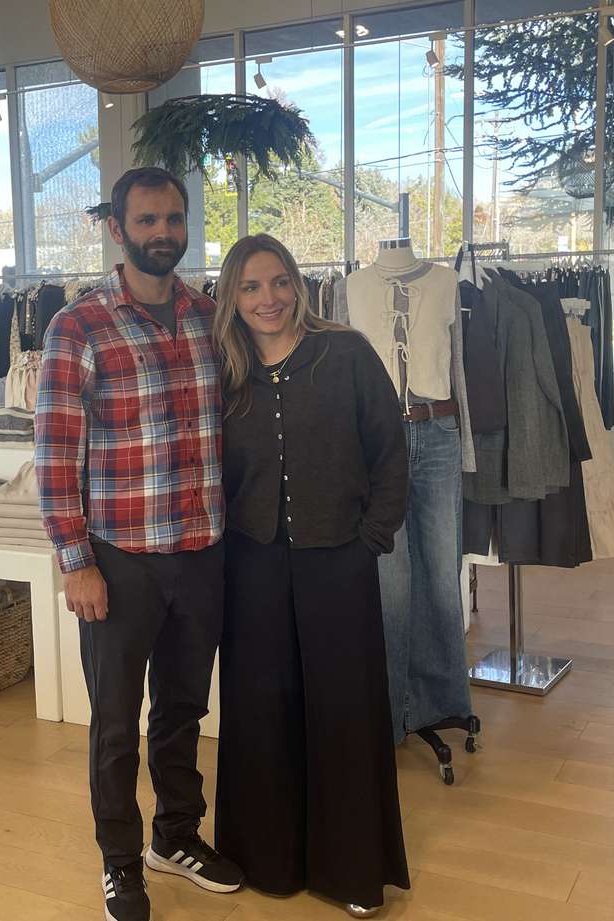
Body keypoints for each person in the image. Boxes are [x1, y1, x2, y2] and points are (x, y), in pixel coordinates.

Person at [34, 167, 243, 921]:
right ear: (117, 228)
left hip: (202, 550)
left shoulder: (208, 316)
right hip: (119, 559)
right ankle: (121, 862)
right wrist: (75, 560)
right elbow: (57, 455)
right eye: (148, 220)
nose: (164, 232)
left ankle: (176, 835)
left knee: (183, 707)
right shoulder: (77, 327)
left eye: (175, 218)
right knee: (117, 722)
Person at [212, 234, 411, 917]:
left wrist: (371, 540)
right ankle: (265, 860)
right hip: (252, 562)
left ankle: (353, 871)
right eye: (251, 287)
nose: (268, 299)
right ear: (232, 300)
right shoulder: (225, 371)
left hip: (338, 558)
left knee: (344, 711)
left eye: (278, 282)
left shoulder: (347, 353)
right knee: (261, 711)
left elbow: (391, 452)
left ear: (298, 284)